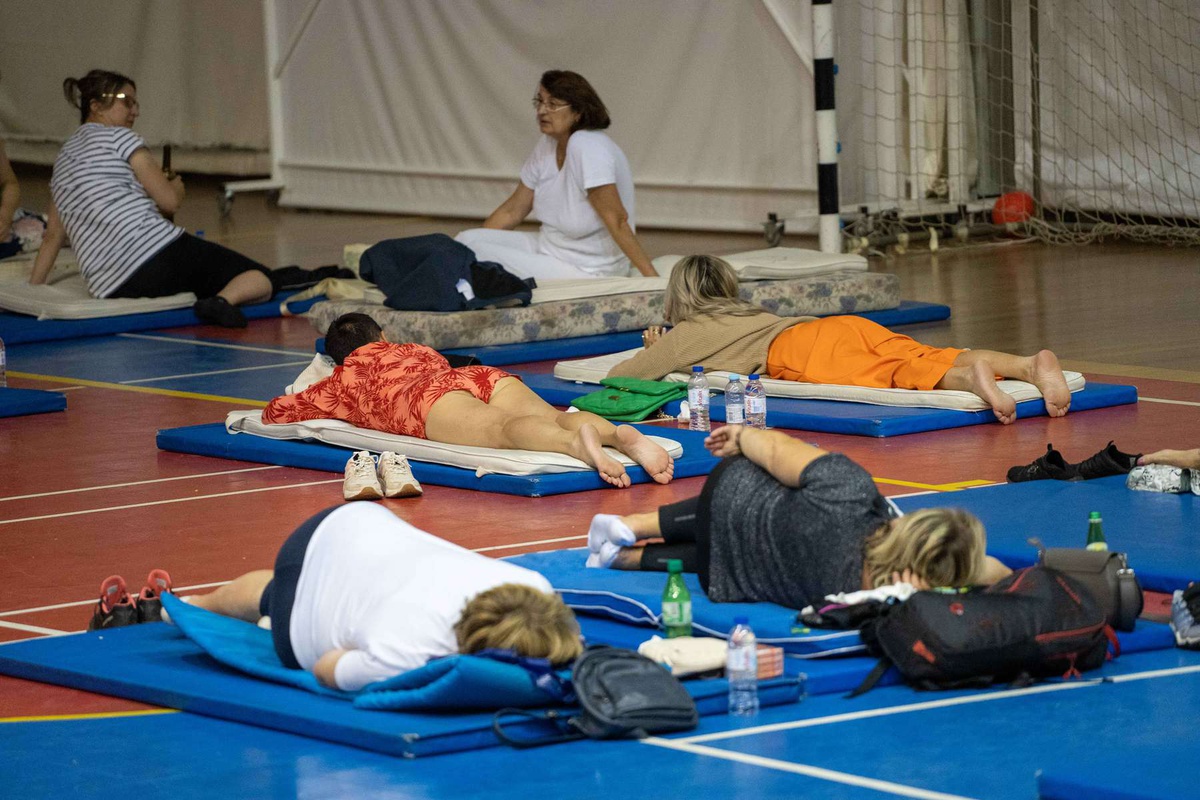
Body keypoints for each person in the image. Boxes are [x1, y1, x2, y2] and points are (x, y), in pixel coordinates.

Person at [586, 424, 1012, 610]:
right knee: (740, 551)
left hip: (731, 501)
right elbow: (994, 572)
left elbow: (777, 452)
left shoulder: (851, 493)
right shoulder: (889, 602)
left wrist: (743, 436)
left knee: (745, 497)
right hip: (729, 580)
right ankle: (626, 558)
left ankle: (634, 526)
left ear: (909, 529)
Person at [608, 255, 1072, 424]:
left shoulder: (688, 333)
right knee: (923, 351)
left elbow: (621, 377)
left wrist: (657, 351)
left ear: (679, 297)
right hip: (835, 325)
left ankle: (970, 380)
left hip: (800, 350)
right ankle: (1030, 365)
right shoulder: (749, 311)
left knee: (889, 374)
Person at [186, 503, 583, 691]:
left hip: (364, 521)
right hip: (311, 565)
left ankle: (200, 602)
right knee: (275, 594)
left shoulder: (536, 585)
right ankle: (191, 608)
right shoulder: (408, 652)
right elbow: (327, 667)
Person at [263, 313, 674, 488]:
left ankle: (574, 446)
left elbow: (277, 412)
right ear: (382, 336)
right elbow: (441, 368)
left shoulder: (340, 380)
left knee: (501, 431)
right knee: (552, 415)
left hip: (422, 401)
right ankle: (618, 437)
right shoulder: (413, 348)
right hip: (468, 375)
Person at [28, 70, 276, 328]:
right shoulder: (121, 138)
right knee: (260, 277)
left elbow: (53, 236)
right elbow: (169, 202)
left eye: (136, 103)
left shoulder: (63, 158)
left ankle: (213, 296)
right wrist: (176, 188)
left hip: (108, 285)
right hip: (153, 256)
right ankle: (220, 301)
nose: (134, 111)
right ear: (96, 106)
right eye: (126, 101)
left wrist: (32, 294)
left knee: (202, 270)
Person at [455, 70, 656, 280]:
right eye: (540, 101)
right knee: (465, 241)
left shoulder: (588, 145)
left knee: (471, 254)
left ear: (578, 112)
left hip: (589, 268)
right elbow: (512, 211)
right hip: (549, 248)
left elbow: (617, 219)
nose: (542, 110)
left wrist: (652, 279)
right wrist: (483, 240)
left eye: (553, 104)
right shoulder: (548, 144)